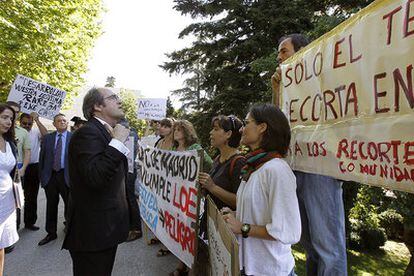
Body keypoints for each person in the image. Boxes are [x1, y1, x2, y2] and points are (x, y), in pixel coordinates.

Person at [272, 34, 347, 275]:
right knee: (310, 247)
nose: (279, 57)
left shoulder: (327, 79)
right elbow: (278, 125)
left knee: (328, 248)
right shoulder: (286, 86)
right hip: (296, 168)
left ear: (303, 51)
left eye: (284, 51)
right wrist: (277, 90)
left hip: (321, 169)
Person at [223, 103, 301, 276]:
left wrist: (242, 227)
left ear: (262, 127)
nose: (242, 129)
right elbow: (260, 211)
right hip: (251, 268)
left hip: (271, 270)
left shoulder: (277, 170)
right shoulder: (253, 166)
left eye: (246, 122)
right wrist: (236, 214)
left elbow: (287, 230)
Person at [62, 87, 130, 276]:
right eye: (113, 97)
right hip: (93, 234)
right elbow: (96, 177)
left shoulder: (107, 132)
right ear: (97, 106)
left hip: (105, 230)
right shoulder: (87, 133)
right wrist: (117, 142)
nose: (120, 100)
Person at [170, 119, 213, 276]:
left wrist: (201, 180)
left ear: (187, 132)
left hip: (191, 197)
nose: (176, 132)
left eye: (180, 130)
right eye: (175, 130)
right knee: (181, 231)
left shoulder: (195, 148)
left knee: (191, 232)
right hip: (176, 197)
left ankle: (191, 268)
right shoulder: (174, 150)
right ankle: (181, 264)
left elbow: (209, 164)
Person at [198, 115, 245, 223]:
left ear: (228, 134)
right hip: (210, 223)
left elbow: (240, 201)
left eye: (216, 129)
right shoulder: (218, 159)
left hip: (225, 228)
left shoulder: (239, 163)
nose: (211, 133)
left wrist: (212, 187)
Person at [38, 113, 72, 246]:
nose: (62, 122)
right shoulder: (48, 138)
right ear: (54, 124)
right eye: (59, 121)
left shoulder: (73, 138)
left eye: (64, 120)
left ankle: (70, 231)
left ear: (67, 123)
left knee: (70, 205)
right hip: (51, 176)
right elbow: (42, 158)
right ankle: (51, 233)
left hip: (67, 176)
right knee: (51, 205)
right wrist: (42, 177)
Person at [5, 101, 30, 251]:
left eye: (15, 114)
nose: (10, 120)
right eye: (6, 116)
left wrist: (23, 169)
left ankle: (11, 233)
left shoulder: (22, 132)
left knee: (15, 203)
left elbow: (27, 151)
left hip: (16, 172)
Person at [19, 112, 48, 231]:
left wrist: (37, 121)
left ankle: (29, 222)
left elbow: (46, 136)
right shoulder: (14, 132)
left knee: (31, 197)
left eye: (29, 124)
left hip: (33, 168)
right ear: (19, 122)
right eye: (24, 123)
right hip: (18, 167)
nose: (26, 125)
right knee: (15, 197)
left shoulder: (36, 132)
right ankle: (13, 225)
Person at [0, 104, 19, 275]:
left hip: (7, 203)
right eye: (4, 117)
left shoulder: (10, 143)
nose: (9, 122)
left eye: (11, 119)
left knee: (1, 247)